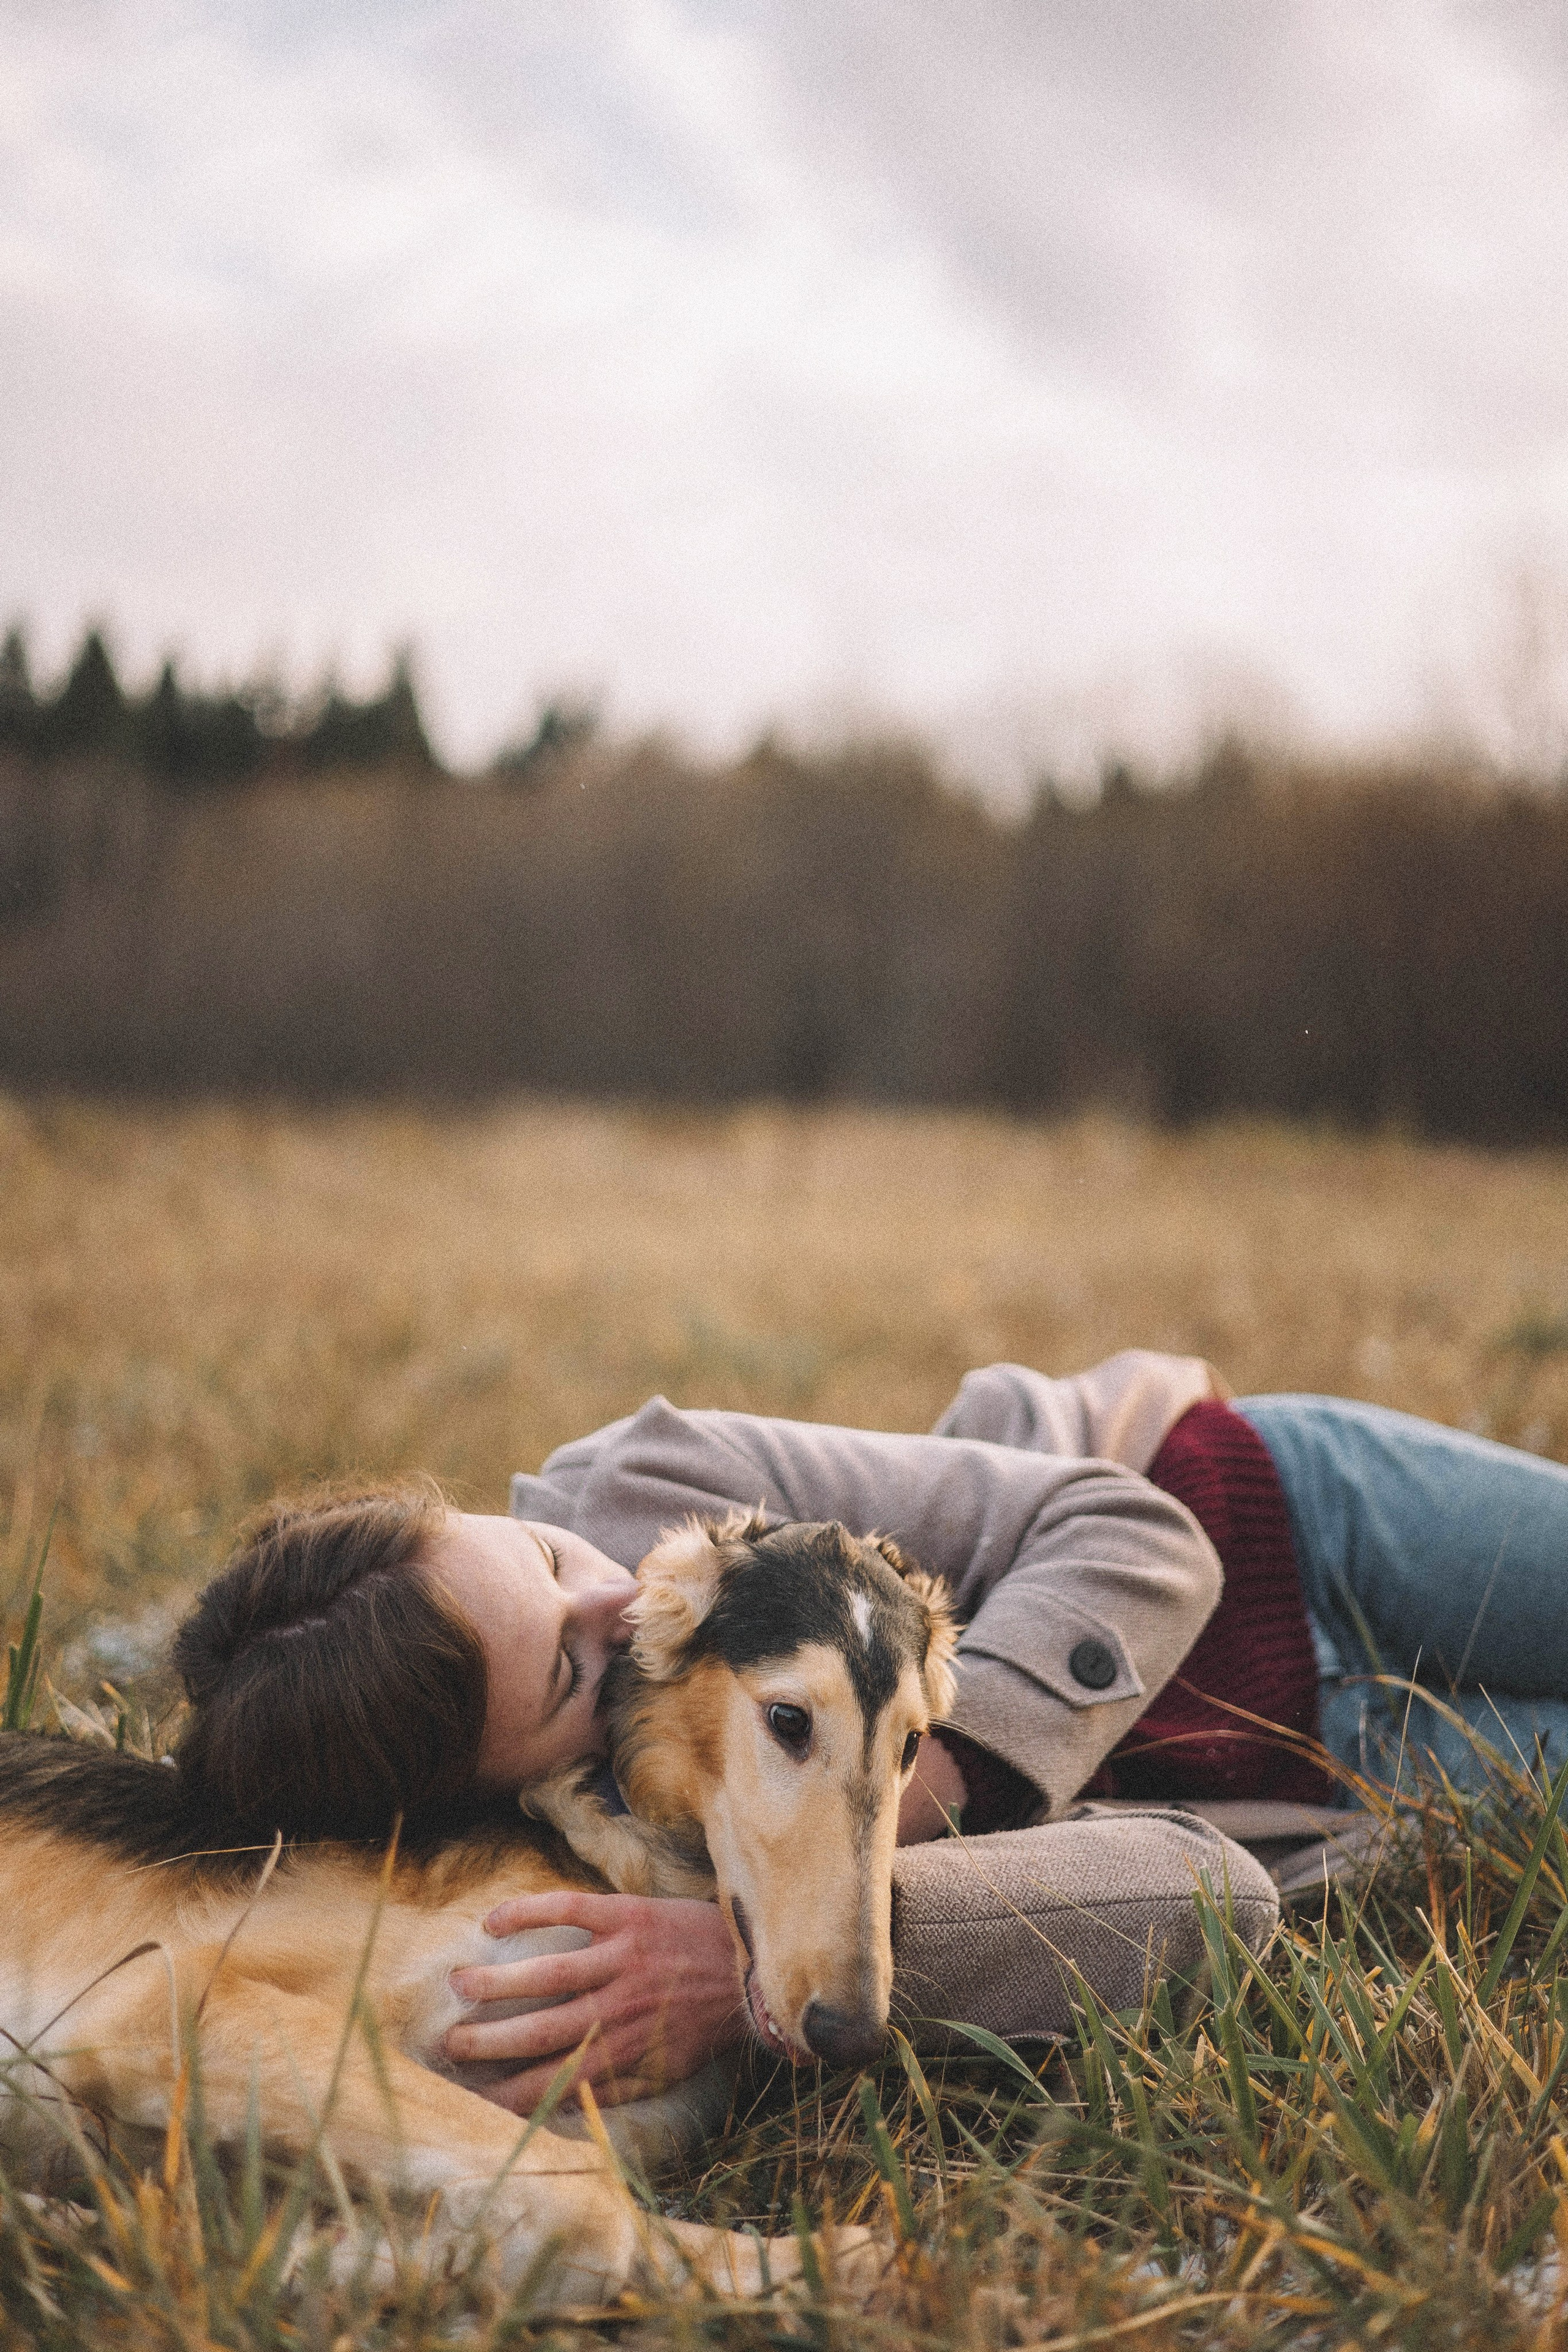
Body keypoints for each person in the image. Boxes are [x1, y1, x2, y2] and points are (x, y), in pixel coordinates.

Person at [172, 1351, 1568, 2113]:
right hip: (1323, 1766)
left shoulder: (646, 1483)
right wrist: (754, 1961)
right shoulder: (601, 1871)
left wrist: (901, 1791)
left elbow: (1136, 1528)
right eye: (563, 1664)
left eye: (532, 1555)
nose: (617, 1590)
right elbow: (1202, 1894)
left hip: (1268, 1515)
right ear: (493, 1788)